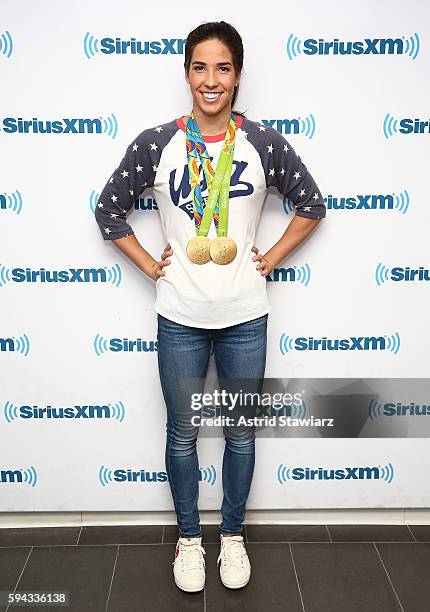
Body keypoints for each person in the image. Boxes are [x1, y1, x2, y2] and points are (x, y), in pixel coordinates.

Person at [94, 20, 326, 593]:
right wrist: (151, 265)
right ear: (187, 74)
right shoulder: (156, 143)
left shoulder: (263, 144)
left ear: (239, 76)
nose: (211, 80)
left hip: (246, 313)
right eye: (200, 67)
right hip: (180, 317)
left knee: (241, 435)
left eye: (223, 67)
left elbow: (311, 204)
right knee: (182, 434)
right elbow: (109, 211)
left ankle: (233, 537)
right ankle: (190, 541)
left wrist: (268, 257)